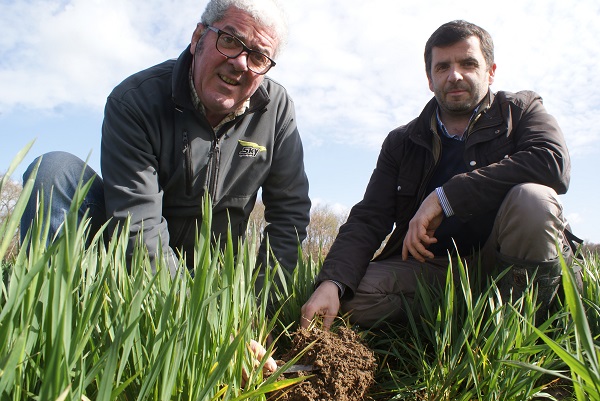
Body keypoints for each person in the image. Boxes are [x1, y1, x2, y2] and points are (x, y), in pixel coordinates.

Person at [301, 20, 581, 330]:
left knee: (534, 200)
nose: (455, 75)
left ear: (491, 70)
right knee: (350, 299)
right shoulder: (402, 141)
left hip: (505, 262)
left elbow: (552, 162)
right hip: (434, 268)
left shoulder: (522, 110)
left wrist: (446, 197)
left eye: (468, 63)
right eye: (443, 67)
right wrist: (333, 281)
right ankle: (459, 318)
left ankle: (522, 329)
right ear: (430, 79)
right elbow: (370, 217)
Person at [21, 0, 311, 283]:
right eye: (230, 40)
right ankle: (56, 306)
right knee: (53, 171)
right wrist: (185, 316)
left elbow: (289, 215)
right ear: (198, 37)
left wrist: (264, 308)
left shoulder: (276, 111)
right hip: (128, 258)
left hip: (213, 279)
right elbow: (137, 223)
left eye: (258, 57)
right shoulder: (135, 101)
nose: (240, 63)